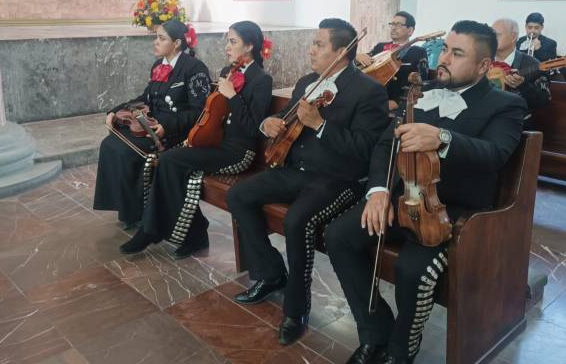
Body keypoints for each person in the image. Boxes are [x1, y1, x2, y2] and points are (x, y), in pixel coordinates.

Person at [325, 20, 527, 364]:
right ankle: (375, 332)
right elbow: (386, 145)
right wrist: (379, 191)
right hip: (403, 200)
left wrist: (444, 139)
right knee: (338, 236)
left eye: (457, 53)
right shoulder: (421, 95)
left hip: (450, 212)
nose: (444, 58)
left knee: (412, 270)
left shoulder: (504, 105)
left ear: (483, 66)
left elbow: (494, 154)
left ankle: (402, 350)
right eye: (445, 48)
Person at [226, 18, 390, 345]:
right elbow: (287, 122)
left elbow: (366, 149)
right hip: (295, 169)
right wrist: (270, 124)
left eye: (318, 44)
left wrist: (321, 125)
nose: (311, 49)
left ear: (342, 51)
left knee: (297, 221)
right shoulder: (307, 82)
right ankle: (271, 272)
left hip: (337, 178)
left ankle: (295, 309)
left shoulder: (368, 91)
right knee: (239, 195)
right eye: (313, 43)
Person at [119, 21, 274, 257]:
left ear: (250, 45)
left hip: (239, 152)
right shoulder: (227, 71)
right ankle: (187, 232)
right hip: (217, 143)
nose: (227, 47)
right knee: (167, 161)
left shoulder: (261, 80)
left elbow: (254, 128)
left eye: (233, 42)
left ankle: (159, 231)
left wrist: (232, 96)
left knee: (172, 161)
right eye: (227, 41)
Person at [93, 20, 211, 229]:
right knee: (110, 144)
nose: (155, 42)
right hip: (150, 126)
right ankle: (128, 209)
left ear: (176, 43)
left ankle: (136, 211)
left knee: (125, 152)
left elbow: (199, 111)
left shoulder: (194, 68)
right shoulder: (159, 65)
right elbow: (146, 97)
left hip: (174, 131)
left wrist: (168, 126)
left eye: (161, 38)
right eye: (156, 37)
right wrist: (114, 111)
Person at [356, 11, 428, 110]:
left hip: (396, 103)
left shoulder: (418, 52)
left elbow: (422, 82)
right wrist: (357, 57)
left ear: (410, 30)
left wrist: (398, 102)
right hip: (370, 98)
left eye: (398, 25)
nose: (393, 27)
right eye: (392, 24)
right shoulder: (380, 47)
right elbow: (364, 64)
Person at [493, 18, 550, 127]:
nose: (492, 39)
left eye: (498, 35)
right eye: (491, 35)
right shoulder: (483, 60)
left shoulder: (532, 64)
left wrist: (523, 86)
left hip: (515, 123)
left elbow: (543, 101)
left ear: (513, 37)